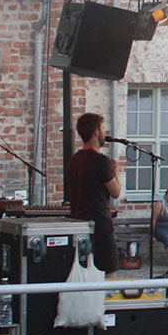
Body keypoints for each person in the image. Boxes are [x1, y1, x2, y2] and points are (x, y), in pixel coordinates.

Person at [66, 112, 123, 273]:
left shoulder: (75, 160)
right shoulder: (100, 161)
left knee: (83, 272)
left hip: (79, 223)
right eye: (103, 128)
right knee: (109, 272)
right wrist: (115, 170)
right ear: (96, 131)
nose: (104, 132)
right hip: (100, 224)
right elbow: (116, 192)